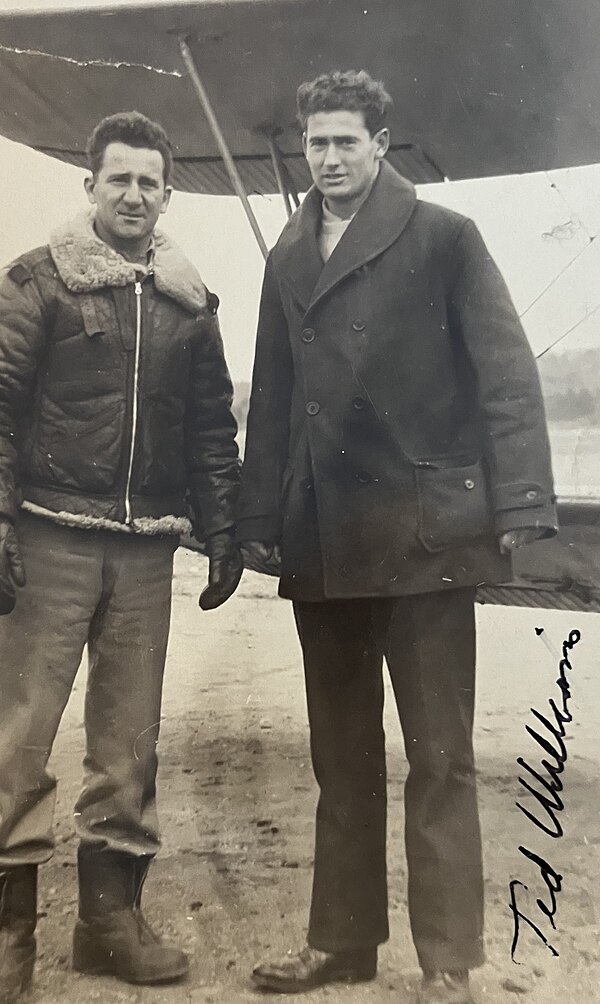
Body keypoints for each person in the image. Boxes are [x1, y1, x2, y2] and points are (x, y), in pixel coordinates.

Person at [238, 70, 557, 1004]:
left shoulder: (447, 237)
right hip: (326, 543)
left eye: (345, 141)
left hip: (425, 539)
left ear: (382, 142)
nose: (328, 158)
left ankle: (449, 960)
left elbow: (505, 373)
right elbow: (273, 402)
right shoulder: (288, 256)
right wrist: (259, 522)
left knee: (440, 757)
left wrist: (522, 502)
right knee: (341, 759)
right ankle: (340, 945)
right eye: (316, 143)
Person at [0, 111, 242, 1002]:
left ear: (168, 194)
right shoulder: (37, 282)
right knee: (17, 738)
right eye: (118, 180)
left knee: (127, 744)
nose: (133, 194)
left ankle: (108, 924)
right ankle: (8, 938)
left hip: (145, 554)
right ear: (90, 187)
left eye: (149, 181)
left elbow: (212, 426)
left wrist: (223, 529)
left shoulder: (189, 303)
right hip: (48, 535)